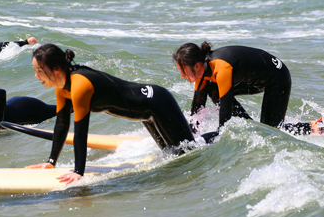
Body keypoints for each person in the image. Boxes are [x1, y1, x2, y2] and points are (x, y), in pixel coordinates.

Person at [25, 43, 197, 184]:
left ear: (56, 68)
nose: (36, 75)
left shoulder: (80, 86)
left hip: (157, 102)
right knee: (173, 156)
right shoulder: (62, 90)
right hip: (147, 114)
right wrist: (51, 162)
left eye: (40, 70)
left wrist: (78, 172)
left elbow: (80, 132)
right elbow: (61, 125)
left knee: (188, 154)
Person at [172, 42, 311, 134]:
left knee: (271, 130)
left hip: (278, 78)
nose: (182, 75)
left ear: (197, 66)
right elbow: (197, 107)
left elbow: (225, 113)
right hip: (254, 80)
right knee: (212, 89)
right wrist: (192, 135)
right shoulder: (202, 74)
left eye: (183, 71)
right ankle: (250, 126)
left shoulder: (221, 67)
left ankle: (314, 127)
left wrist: (220, 138)